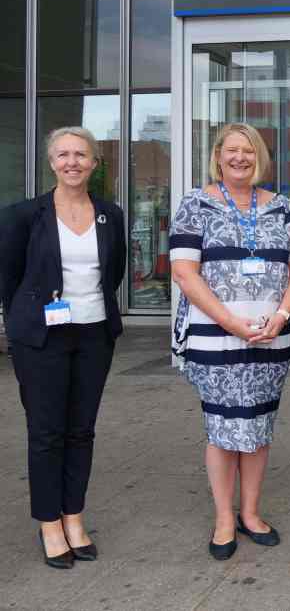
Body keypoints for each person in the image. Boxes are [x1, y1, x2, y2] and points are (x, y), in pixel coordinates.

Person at [169, 123, 290, 561]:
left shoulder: (282, 207)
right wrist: (229, 321)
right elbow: (184, 272)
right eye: (232, 150)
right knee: (223, 428)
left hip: (271, 335)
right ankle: (224, 519)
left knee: (259, 425)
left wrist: (283, 314)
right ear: (218, 156)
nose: (240, 158)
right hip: (214, 335)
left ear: (259, 158)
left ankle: (250, 513)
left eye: (248, 151)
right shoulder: (195, 204)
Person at [0, 127, 127, 569]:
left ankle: (74, 516)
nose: (72, 161)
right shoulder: (23, 215)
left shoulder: (111, 214)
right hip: (41, 338)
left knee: (82, 429)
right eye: (63, 155)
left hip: (93, 333)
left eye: (81, 154)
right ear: (51, 163)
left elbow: (113, 274)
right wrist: (24, 321)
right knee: (47, 431)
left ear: (93, 162)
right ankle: (48, 523)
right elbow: (10, 279)